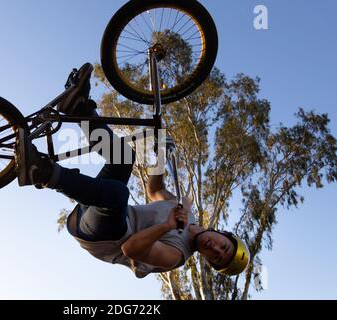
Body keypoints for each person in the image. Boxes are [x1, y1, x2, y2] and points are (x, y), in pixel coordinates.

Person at [16, 63, 250, 278]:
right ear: (224, 234)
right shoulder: (185, 214)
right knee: (124, 157)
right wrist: (160, 151)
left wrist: (167, 226)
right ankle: (79, 109)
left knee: (118, 193)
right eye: (224, 245)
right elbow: (155, 189)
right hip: (96, 205)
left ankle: (41, 172)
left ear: (209, 262)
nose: (215, 248)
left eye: (216, 256)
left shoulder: (176, 255)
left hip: (102, 236)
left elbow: (130, 248)